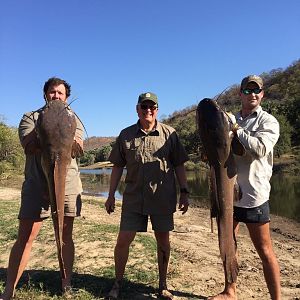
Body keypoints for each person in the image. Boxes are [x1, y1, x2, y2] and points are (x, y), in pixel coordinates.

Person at [0, 77, 84, 300]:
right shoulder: (31, 117)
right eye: (52, 92)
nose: (56, 96)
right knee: (26, 236)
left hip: (66, 184)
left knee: (65, 234)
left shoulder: (73, 118)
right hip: (37, 183)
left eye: (60, 93)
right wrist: (42, 129)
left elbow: (78, 147)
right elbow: (29, 147)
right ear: (45, 94)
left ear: (66, 97)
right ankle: (9, 289)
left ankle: (66, 284)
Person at [105, 92, 190, 299]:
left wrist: (185, 192)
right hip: (133, 197)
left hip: (162, 198)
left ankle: (163, 285)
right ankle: (117, 284)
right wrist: (110, 195)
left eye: (152, 107)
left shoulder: (170, 134)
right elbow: (117, 166)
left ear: (157, 110)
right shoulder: (125, 134)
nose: (148, 110)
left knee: (163, 241)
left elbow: (179, 164)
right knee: (123, 240)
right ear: (137, 109)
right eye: (144, 106)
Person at [209, 75, 281, 300]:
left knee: (265, 250)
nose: (251, 94)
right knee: (228, 243)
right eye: (247, 90)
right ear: (240, 94)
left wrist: (236, 129)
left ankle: (276, 298)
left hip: (253, 195)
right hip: (228, 193)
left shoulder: (268, 122)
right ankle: (230, 290)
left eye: (256, 90)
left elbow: (259, 149)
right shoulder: (227, 119)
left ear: (262, 95)